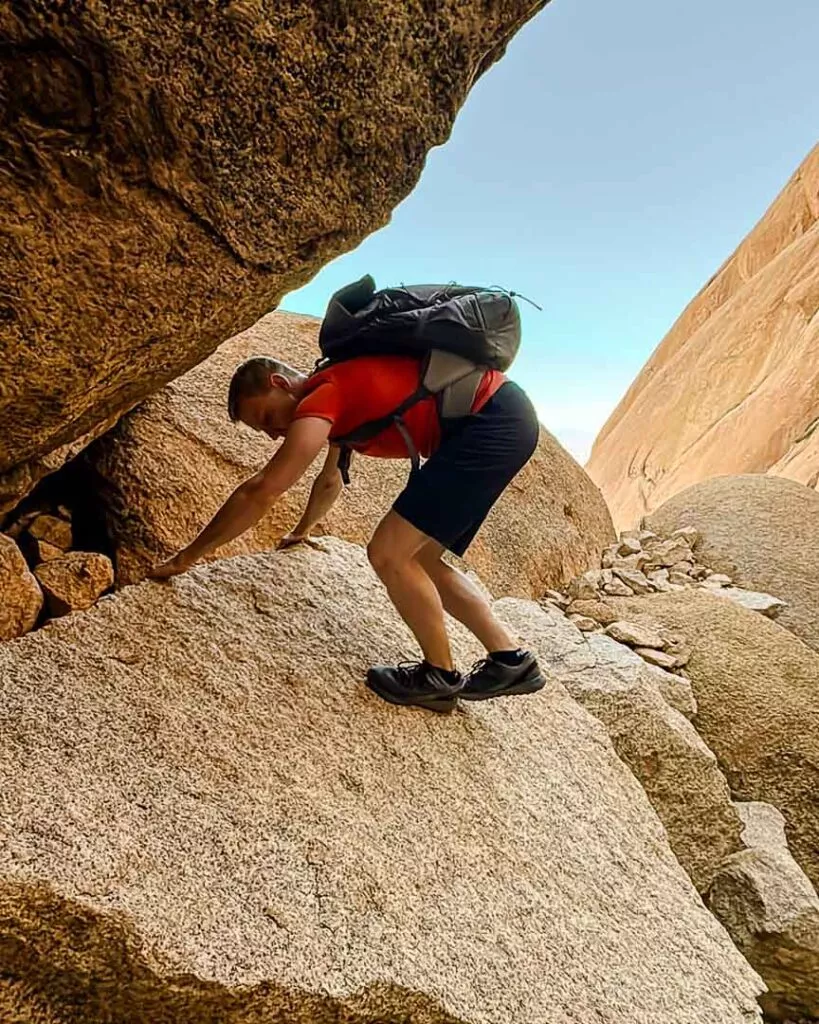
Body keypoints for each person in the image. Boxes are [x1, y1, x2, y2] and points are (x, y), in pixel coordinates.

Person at [152, 351, 545, 712]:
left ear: (280, 384)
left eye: (269, 419)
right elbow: (330, 480)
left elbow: (263, 490)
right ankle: (511, 660)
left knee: (388, 553)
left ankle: (439, 677)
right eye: (265, 431)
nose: (275, 434)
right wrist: (302, 530)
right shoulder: (339, 393)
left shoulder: (325, 394)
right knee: (420, 557)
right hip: (501, 417)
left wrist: (187, 557)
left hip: (489, 422)